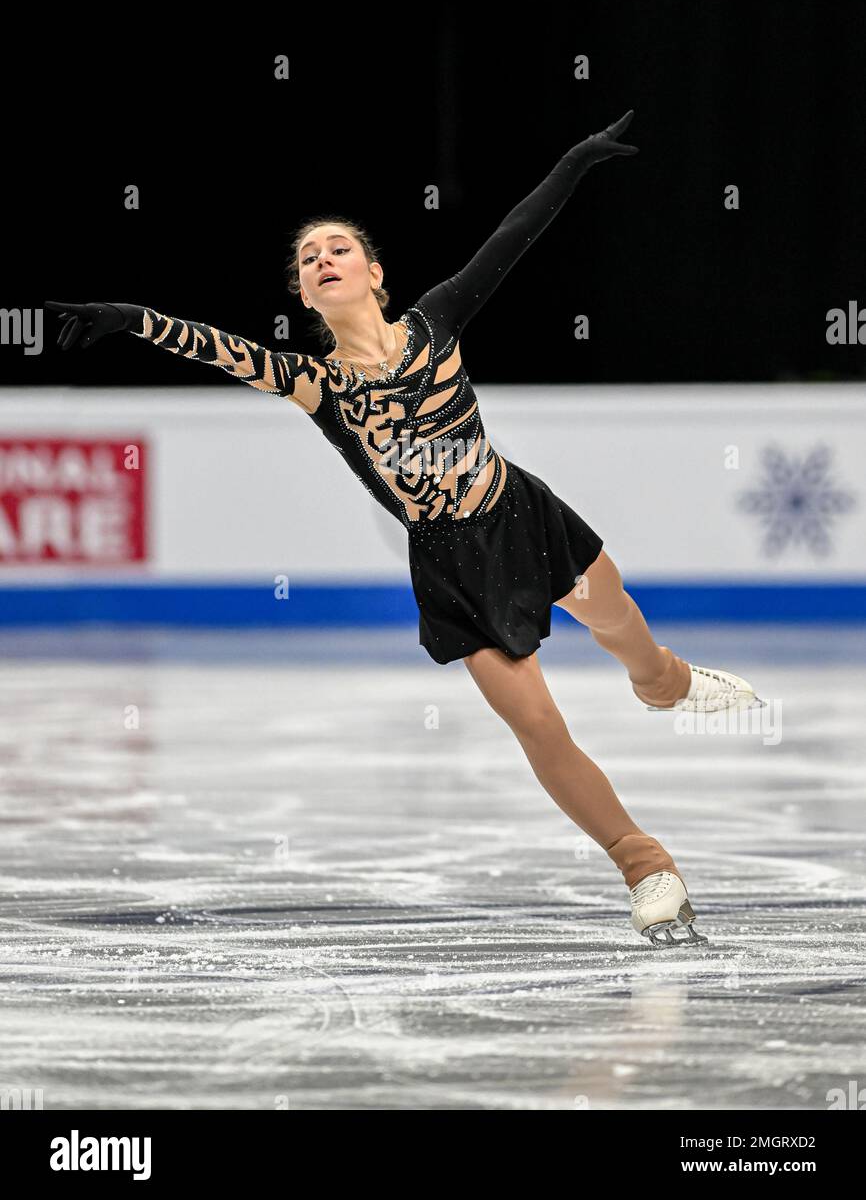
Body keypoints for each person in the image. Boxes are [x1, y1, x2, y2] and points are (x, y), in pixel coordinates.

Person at [46, 110, 761, 948]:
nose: (322, 259)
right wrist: (125, 316)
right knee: (536, 724)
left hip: (521, 513)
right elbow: (214, 347)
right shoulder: (315, 384)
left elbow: (513, 236)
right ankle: (646, 867)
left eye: (337, 248)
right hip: (454, 563)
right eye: (309, 259)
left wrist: (571, 162)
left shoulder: (438, 322)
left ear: (373, 272)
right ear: (305, 294)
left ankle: (665, 683)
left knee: (621, 626)